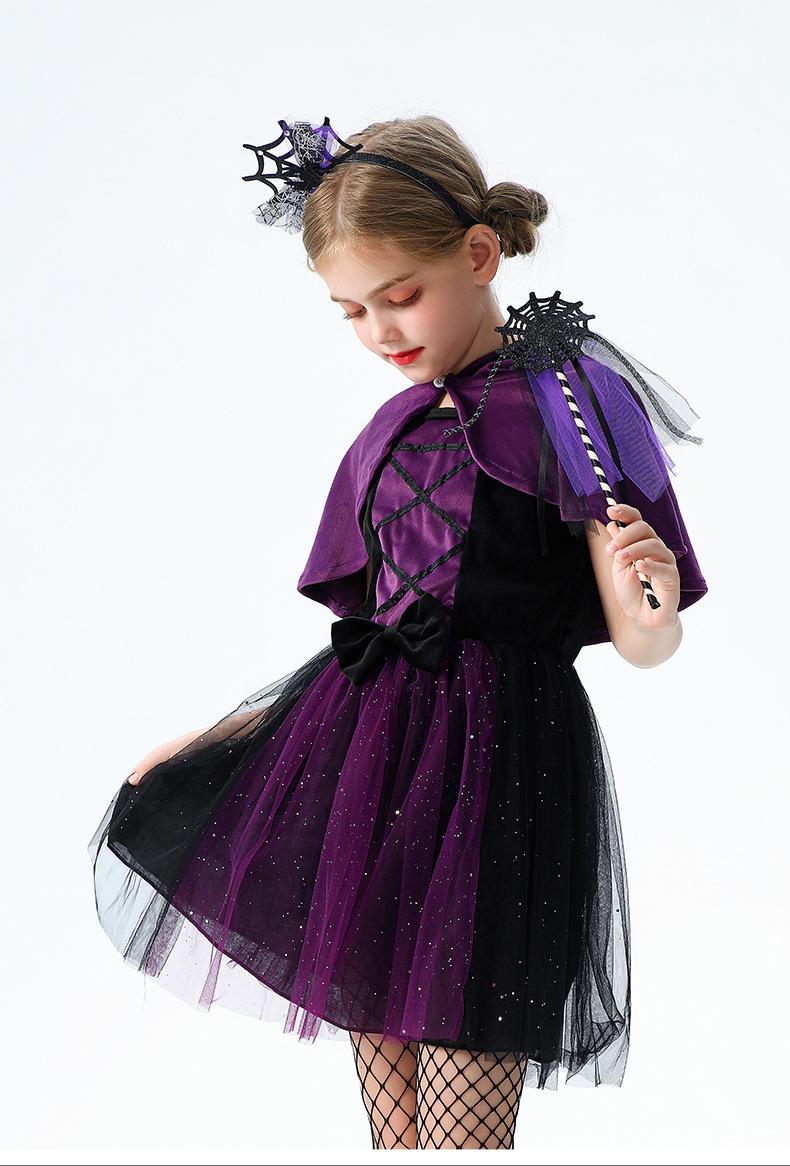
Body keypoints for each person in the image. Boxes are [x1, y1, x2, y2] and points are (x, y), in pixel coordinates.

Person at [87, 114, 709, 1150]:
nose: (380, 330)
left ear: (480, 254)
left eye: (402, 295)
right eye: (351, 311)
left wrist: (649, 603)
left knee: (463, 1125)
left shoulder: (573, 405)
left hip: (504, 781)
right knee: (401, 1131)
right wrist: (217, 741)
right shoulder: (388, 431)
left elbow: (644, 639)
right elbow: (363, 649)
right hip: (371, 786)